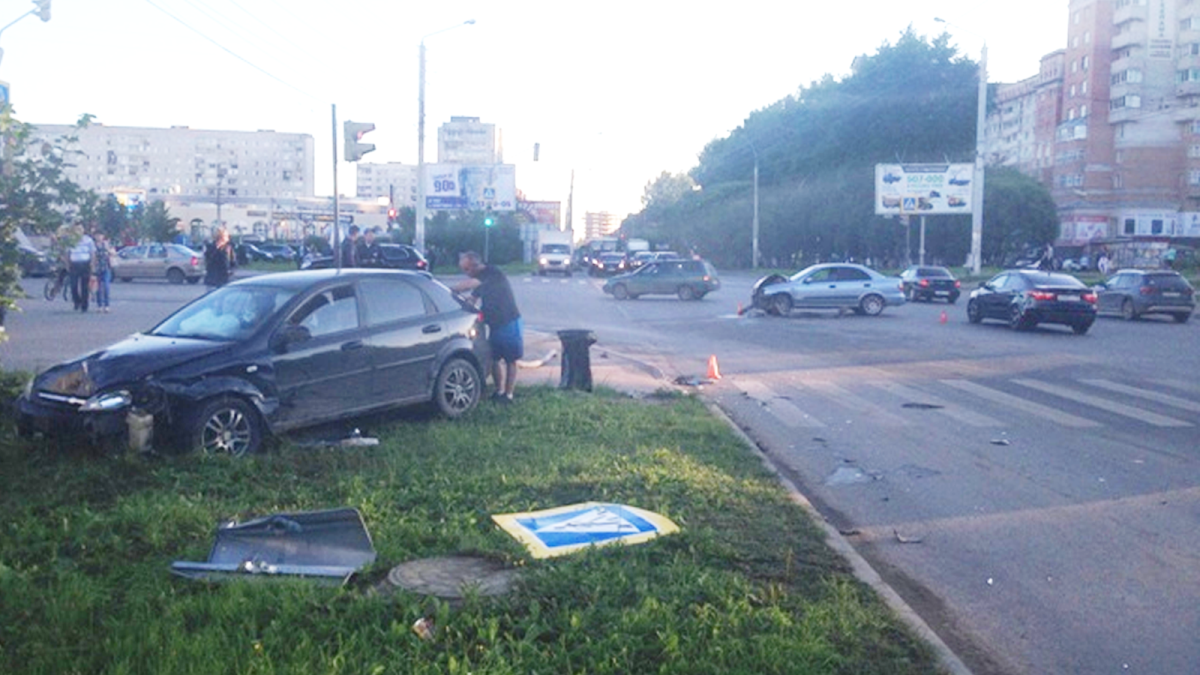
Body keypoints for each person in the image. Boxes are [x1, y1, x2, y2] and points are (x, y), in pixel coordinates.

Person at [453, 251, 522, 403]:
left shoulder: (492, 273)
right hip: (494, 324)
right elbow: (472, 298)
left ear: (475, 265)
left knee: (510, 359)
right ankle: (499, 391)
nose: (466, 274)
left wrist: (451, 290)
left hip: (509, 321)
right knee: (494, 358)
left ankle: (509, 395)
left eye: (467, 269)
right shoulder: (480, 280)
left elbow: (468, 286)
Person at [67, 224, 96, 313]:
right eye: (76, 230)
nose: (78, 231)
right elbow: (66, 252)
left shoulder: (88, 240)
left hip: (85, 264)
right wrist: (67, 264)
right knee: (73, 285)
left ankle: (84, 305)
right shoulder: (70, 240)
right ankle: (77, 301)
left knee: (84, 286)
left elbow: (92, 253)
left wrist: (92, 264)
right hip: (74, 264)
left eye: (80, 229)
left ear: (83, 231)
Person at [92, 232, 114, 313]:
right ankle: (99, 305)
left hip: (106, 267)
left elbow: (113, 253)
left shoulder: (106, 244)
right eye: (97, 235)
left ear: (103, 236)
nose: (99, 237)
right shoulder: (94, 245)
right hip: (98, 268)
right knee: (98, 288)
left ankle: (107, 305)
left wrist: (108, 251)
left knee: (106, 287)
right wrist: (92, 268)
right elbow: (93, 257)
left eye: (100, 235)